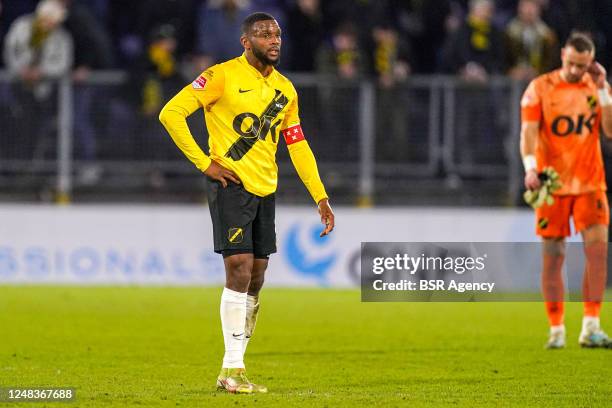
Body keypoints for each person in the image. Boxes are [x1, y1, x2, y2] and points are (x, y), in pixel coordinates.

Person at [159, 12, 335, 392]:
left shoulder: (286, 90)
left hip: (265, 188)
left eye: (277, 34)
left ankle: (235, 364)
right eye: (264, 34)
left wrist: (320, 196)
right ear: (245, 41)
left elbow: (298, 145)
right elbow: (170, 113)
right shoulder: (221, 76)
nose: (274, 40)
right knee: (238, 270)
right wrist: (205, 163)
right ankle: (232, 370)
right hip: (231, 184)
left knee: (256, 277)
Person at [520, 32, 612, 349]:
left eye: (583, 65)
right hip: (553, 183)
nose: (576, 70)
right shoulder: (540, 88)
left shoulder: (596, 86)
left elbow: (610, 131)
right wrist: (530, 167)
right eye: (572, 63)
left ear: (591, 62)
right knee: (553, 257)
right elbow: (528, 133)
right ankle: (556, 328)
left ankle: (591, 326)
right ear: (562, 55)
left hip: (590, 183)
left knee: (598, 251)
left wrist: (602, 89)